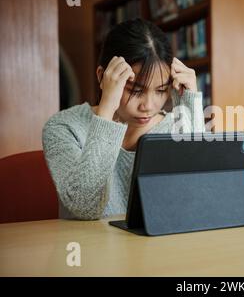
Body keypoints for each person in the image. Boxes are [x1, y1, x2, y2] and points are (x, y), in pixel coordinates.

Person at [43, 18, 205, 220]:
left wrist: (190, 105)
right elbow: (85, 207)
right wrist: (107, 109)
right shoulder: (63, 127)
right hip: (90, 249)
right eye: (136, 90)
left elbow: (198, 200)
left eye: (161, 90)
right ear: (103, 76)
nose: (149, 105)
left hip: (157, 248)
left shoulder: (174, 127)